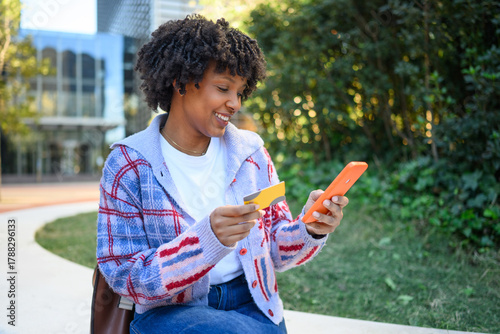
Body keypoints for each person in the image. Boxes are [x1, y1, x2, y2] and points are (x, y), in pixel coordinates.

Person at [96, 15, 348, 334]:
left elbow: (274, 250)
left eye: (240, 92)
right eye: (223, 88)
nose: (234, 103)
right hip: (173, 312)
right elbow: (125, 277)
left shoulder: (250, 153)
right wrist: (205, 241)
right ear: (181, 82)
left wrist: (309, 229)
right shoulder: (129, 164)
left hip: (254, 304)